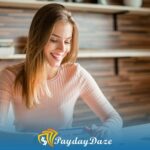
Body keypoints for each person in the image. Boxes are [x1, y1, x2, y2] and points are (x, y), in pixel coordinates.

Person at [0, 3, 122, 137]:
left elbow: (114, 118)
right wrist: (42, 140)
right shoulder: (9, 76)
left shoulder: (76, 74)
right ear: (37, 38)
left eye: (67, 41)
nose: (63, 49)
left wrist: (106, 130)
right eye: (53, 40)